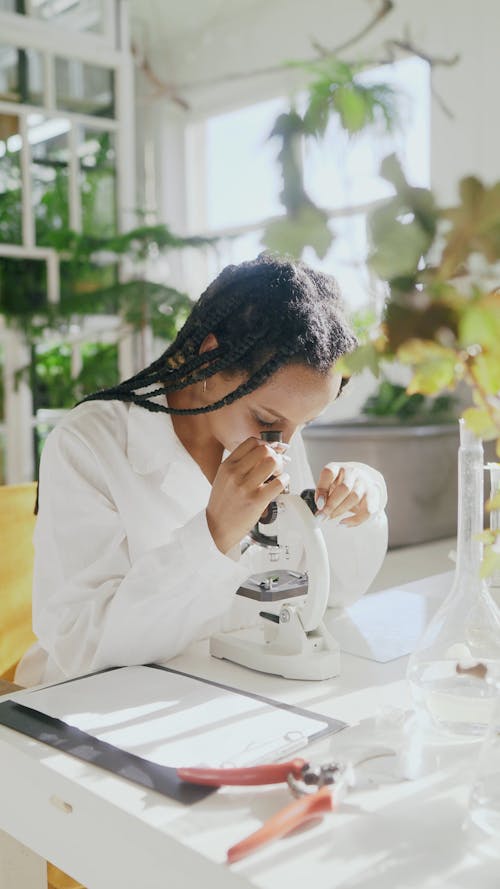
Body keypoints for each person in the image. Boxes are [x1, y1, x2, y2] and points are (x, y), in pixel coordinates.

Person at [16, 253, 388, 686]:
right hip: (96, 708)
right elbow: (81, 644)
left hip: (234, 690)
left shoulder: (275, 431)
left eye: (303, 424)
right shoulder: (90, 442)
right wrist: (213, 534)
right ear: (211, 358)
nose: (285, 443)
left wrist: (358, 504)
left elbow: (332, 596)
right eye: (268, 421)